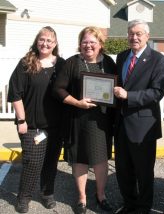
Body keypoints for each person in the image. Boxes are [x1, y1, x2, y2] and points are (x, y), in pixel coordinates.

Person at [52, 26, 116, 214]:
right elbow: (58, 89)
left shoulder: (109, 63)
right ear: (80, 44)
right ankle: (81, 197)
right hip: (78, 118)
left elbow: (117, 87)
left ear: (100, 44)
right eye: (85, 42)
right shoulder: (72, 62)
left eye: (92, 42)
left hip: (102, 121)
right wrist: (77, 103)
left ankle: (101, 195)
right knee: (79, 158)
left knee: (100, 160)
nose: (88, 45)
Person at [7, 26, 65, 213]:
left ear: (55, 44)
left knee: (51, 163)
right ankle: (24, 197)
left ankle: (47, 194)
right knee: (32, 163)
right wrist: (22, 120)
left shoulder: (62, 65)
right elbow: (15, 93)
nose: (45, 43)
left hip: (56, 125)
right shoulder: (26, 63)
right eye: (42, 39)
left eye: (49, 40)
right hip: (32, 125)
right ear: (37, 41)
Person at [113, 19, 164, 214]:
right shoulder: (121, 57)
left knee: (144, 172)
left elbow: (157, 92)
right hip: (120, 124)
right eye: (131, 33)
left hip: (143, 126)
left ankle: (143, 208)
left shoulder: (158, 60)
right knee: (123, 169)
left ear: (147, 36)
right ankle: (129, 204)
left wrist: (130, 96)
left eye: (138, 34)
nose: (134, 37)